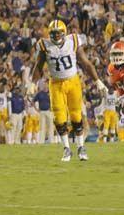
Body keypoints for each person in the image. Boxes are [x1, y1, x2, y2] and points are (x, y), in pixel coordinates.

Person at [30, 20, 105, 162]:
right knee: (59, 117)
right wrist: (32, 83)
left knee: (76, 116)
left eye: (58, 33)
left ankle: (81, 147)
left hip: (73, 81)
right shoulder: (44, 44)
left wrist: (97, 81)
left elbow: (85, 63)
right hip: (56, 83)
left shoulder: (73, 40)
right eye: (53, 33)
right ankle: (66, 149)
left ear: (64, 33)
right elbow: (38, 66)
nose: (56, 36)